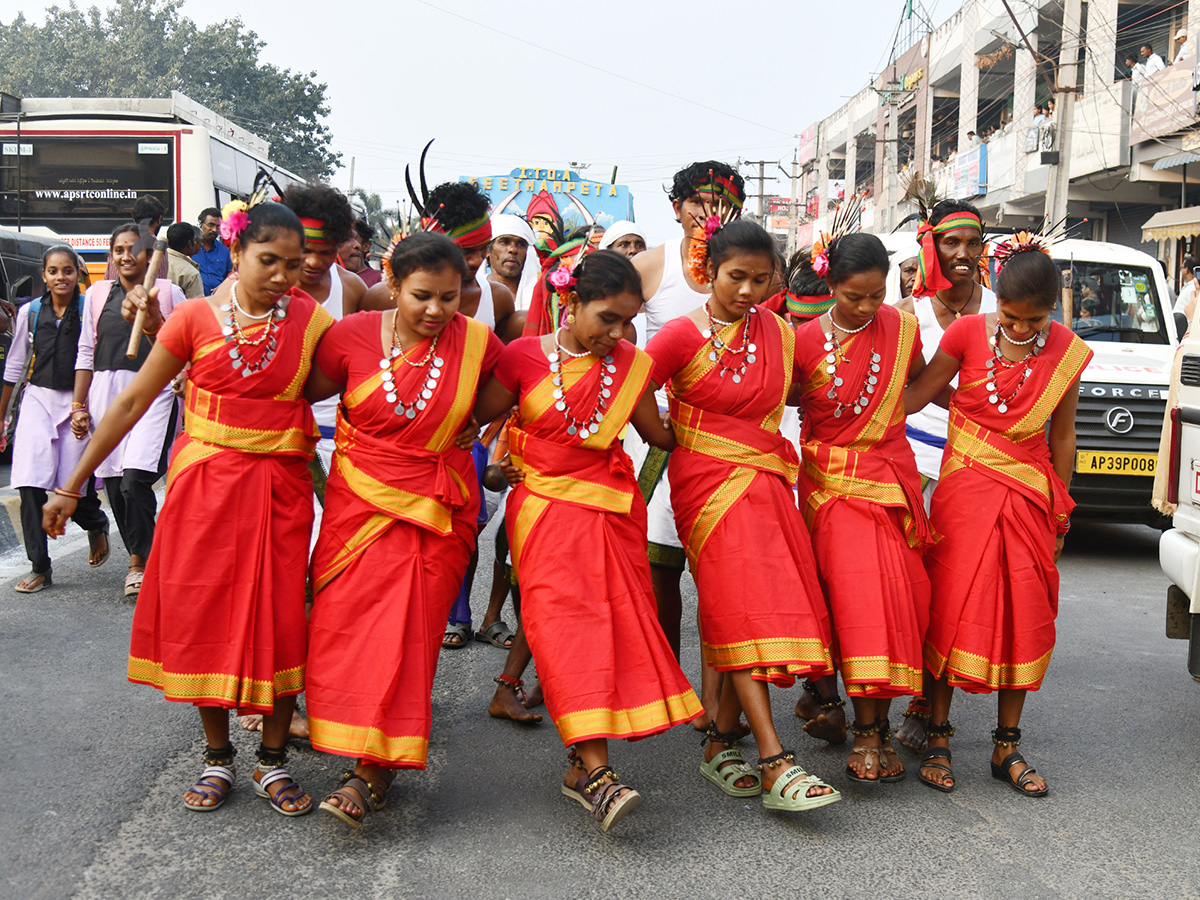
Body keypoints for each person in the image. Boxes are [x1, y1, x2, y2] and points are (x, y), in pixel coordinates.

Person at [44, 198, 331, 817]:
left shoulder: (309, 321)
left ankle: (273, 761)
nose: (284, 275)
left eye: (294, 263)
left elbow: (355, 378)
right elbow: (129, 404)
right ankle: (219, 757)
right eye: (270, 260)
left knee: (283, 618)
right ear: (235, 253)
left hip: (281, 494)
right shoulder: (195, 318)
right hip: (205, 491)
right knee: (206, 614)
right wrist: (73, 484)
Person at [474, 249, 703, 832]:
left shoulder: (630, 365)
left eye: (628, 321)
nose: (619, 334)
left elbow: (659, 435)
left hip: (608, 512)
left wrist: (726, 421)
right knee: (564, 627)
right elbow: (474, 423)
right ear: (570, 305)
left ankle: (583, 763)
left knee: (600, 631)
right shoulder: (523, 358)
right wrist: (500, 466)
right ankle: (595, 772)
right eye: (607, 318)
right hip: (545, 514)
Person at [303, 231, 503, 829]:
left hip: (436, 511)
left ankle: (372, 769)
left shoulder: (477, 343)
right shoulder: (349, 336)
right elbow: (295, 394)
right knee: (348, 629)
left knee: (409, 634)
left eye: (451, 297)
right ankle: (357, 739)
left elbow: (518, 385)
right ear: (392, 284)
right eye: (423, 296)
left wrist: (474, 431)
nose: (438, 311)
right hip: (356, 504)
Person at [647, 219, 840, 812]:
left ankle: (720, 744)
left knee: (752, 606)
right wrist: (668, 438)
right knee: (740, 606)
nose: (750, 291)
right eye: (738, 278)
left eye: (762, 280)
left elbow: (805, 397)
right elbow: (631, 387)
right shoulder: (680, 335)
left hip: (766, 482)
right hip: (706, 487)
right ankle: (774, 757)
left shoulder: (781, 334)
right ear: (708, 271)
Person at [904, 235, 1092, 796]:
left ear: (1051, 311)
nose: (1018, 329)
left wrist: (1060, 513)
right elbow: (915, 396)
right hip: (965, 493)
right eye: (1009, 317)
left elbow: (1063, 435)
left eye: (1032, 321)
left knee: (1024, 611)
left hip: (1031, 497)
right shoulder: (966, 333)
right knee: (952, 608)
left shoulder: (1066, 351)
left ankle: (1006, 744)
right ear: (996, 303)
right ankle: (938, 735)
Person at [795, 232, 935, 784]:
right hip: (829, 487)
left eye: (878, 295)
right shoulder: (802, 341)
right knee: (849, 603)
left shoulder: (902, 329)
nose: (869, 306)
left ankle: (875, 730)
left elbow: (924, 380)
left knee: (893, 602)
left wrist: (895, 415)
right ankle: (855, 722)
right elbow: (779, 400)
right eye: (856, 296)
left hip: (889, 479)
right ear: (831, 286)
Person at [632, 161, 746, 727]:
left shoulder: (749, 275)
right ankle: (669, 683)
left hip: (731, 448)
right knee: (661, 573)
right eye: (697, 201)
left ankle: (721, 696)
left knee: (724, 578)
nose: (709, 211)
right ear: (676, 207)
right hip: (662, 440)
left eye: (722, 201)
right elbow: (615, 353)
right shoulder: (648, 267)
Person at [72, 224, 184, 598]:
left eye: (132, 249)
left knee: (136, 479)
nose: (123, 256)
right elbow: (86, 352)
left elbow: (183, 347)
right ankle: (147, 558)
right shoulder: (98, 294)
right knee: (116, 485)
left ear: (150, 256)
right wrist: (79, 404)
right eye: (117, 249)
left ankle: (140, 562)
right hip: (107, 393)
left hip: (154, 393)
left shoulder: (169, 292)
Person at [2, 246, 110, 592]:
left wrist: (90, 406)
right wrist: (2, 414)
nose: (60, 277)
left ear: (79, 274)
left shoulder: (90, 311)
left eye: (68, 271)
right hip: (38, 398)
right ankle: (40, 567)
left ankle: (95, 523)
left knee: (70, 484)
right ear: (44, 276)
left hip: (80, 404)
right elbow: (15, 365)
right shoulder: (29, 313)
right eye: (53, 271)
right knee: (30, 480)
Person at [487, 213, 540, 314]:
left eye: (521, 244)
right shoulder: (474, 292)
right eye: (504, 242)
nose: (513, 249)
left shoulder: (542, 296)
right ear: (488, 251)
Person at [195, 207, 233, 296]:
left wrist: (224, 287)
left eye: (218, 226)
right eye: (210, 225)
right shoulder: (191, 248)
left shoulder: (225, 251)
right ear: (200, 224)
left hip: (218, 301)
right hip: (194, 300)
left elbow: (230, 276)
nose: (214, 230)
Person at [166, 221, 203, 300]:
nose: (201, 244)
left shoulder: (154, 261)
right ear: (190, 244)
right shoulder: (191, 273)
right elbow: (196, 306)